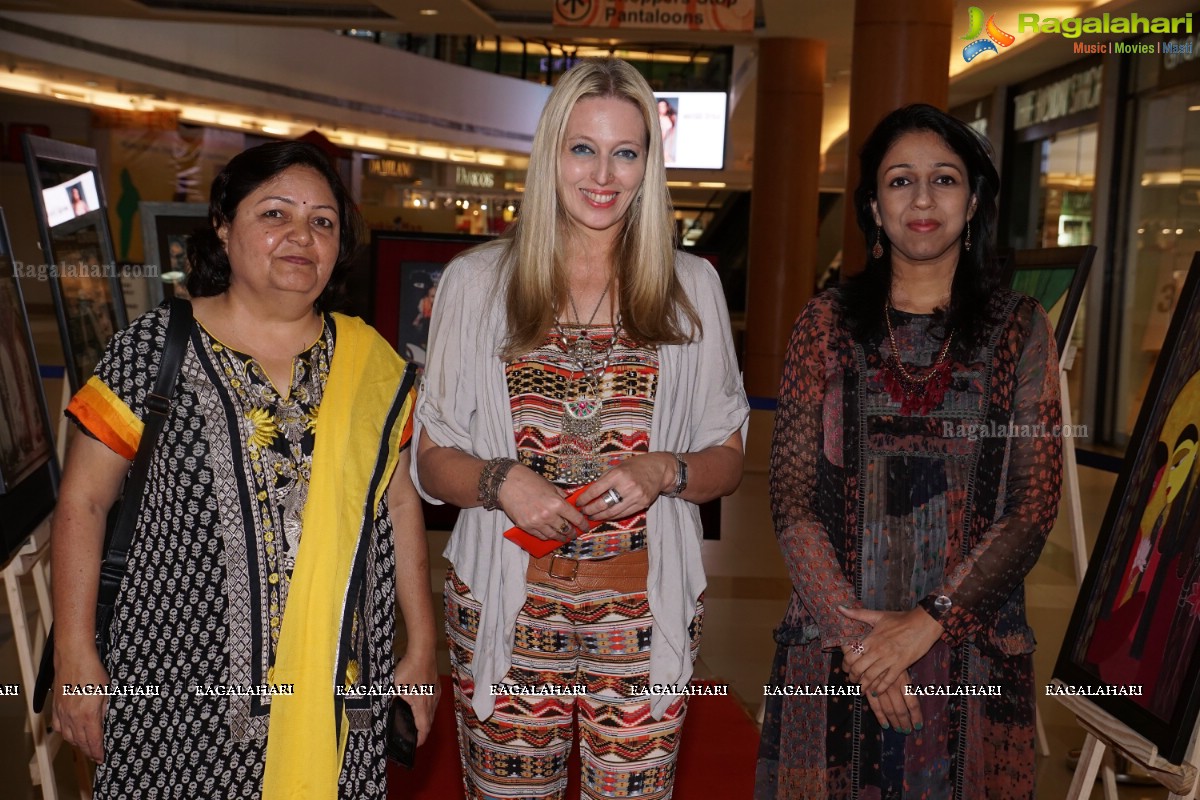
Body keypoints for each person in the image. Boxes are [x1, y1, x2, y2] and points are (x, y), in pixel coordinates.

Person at [51, 140, 439, 799]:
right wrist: (74, 658)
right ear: (225, 227)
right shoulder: (154, 347)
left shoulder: (370, 365)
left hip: (336, 694)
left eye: (322, 222)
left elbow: (400, 506)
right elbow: (83, 503)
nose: (300, 237)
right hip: (175, 694)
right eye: (275, 215)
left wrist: (422, 648)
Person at [414, 58, 748, 800]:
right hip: (507, 606)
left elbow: (728, 453)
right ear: (550, 155)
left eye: (626, 152)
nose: (605, 173)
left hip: (643, 612)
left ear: (647, 165)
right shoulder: (476, 283)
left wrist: (665, 470)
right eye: (583, 148)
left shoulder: (692, 288)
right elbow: (432, 456)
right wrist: (503, 482)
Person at [756, 104, 1063, 799]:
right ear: (872, 205)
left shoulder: (1020, 329)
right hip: (837, 647)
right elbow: (794, 502)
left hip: (971, 648)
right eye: (900, 181)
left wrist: (930, 621)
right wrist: (863, 646)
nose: (923, 199)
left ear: (974, 200)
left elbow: (1031, 507)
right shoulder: (825, 322)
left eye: (945, 179)